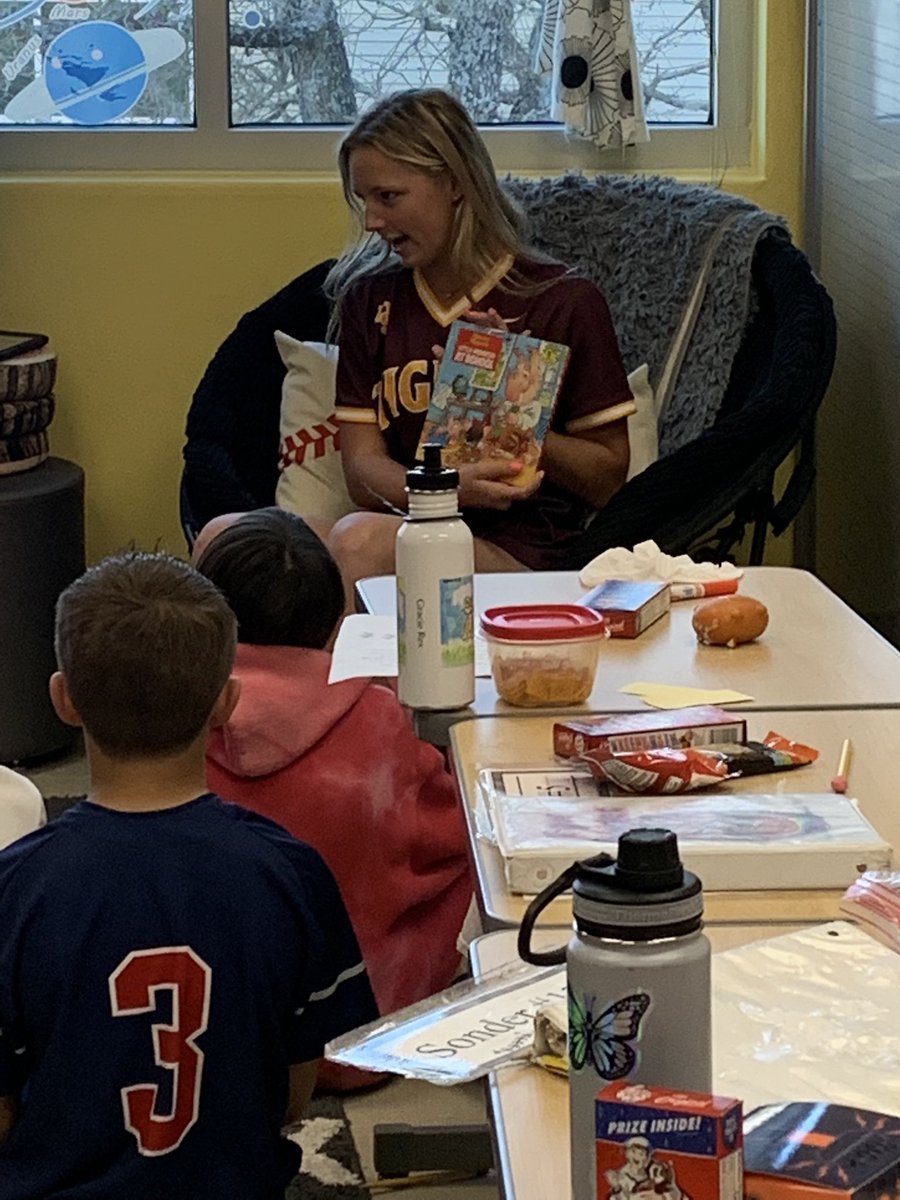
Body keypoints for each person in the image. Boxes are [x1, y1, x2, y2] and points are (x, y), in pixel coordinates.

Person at [0, 552, 377, 1199]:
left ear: (64, 699)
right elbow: (293, 1096)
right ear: (226, 702)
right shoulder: (290, 871)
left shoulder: (16, 887)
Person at [324, 87, 636, 592]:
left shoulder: (563, 300)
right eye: (364, 200)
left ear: (453, 182)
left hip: (522, 557)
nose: (372, 222)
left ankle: (361, 676)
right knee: (234, 540)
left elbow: (607, 479)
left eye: (388, 197)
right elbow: (361, 471)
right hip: (411, 521)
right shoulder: (367, 301)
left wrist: (509, 405)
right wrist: (441, 490)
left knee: (361, 543)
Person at [195, 509, 475, 1047]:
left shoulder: (181, 718)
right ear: (334, 626)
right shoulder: (379, 717)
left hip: (216, 1033)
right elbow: (452, 841)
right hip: (365, 1023)